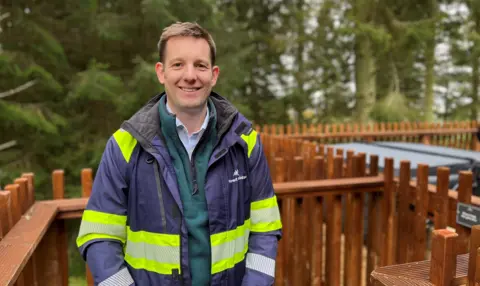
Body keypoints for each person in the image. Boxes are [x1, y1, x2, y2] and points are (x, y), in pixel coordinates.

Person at [76, 22, 282, 286]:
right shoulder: (124, 145)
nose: (190, 75)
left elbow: (265, 229)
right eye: (178, 65)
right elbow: (99, 237)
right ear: (161, 73)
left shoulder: (245, 142)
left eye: (200, 65)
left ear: (214, 74)